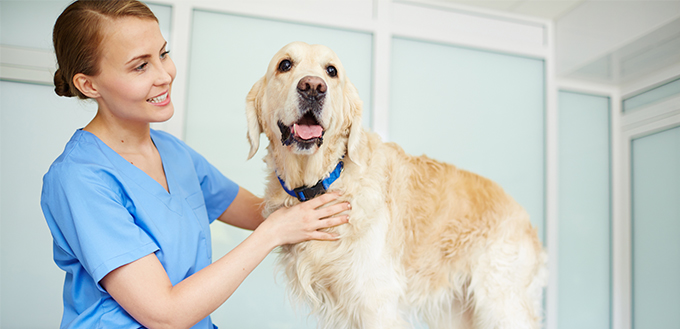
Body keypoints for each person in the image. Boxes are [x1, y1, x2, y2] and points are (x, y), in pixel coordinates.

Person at [40, 1, 350, 328]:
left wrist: (338, 180)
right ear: (89, 85)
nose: (164, 75)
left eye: (163, 53)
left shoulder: (174, 154)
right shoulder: (79, 179)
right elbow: (164, 314)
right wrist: (274, 233)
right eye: (140, 67)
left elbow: (264, 211)